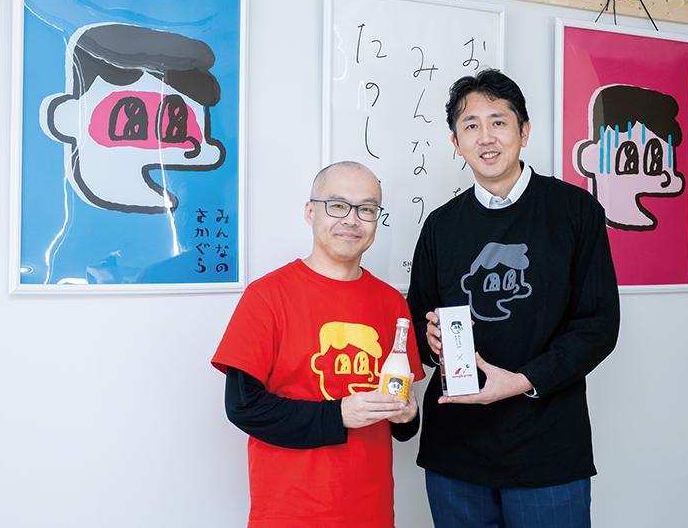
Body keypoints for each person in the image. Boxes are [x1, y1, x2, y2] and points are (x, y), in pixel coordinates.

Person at [407, 68, 620, 528]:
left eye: (498, 122)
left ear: (524, 131)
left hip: (547, 449)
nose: (486, 137)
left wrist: (522, 380)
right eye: (471, 125)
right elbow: (418, 324)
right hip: (455, 452)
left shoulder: (575, 210)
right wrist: (431, 341)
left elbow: (598, 325)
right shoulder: (441, 225)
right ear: (456, 142)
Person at [211, 161, 425, 528]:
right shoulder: (267, 296)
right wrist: (339, 414)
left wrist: (408, 415)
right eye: (337, 205)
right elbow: (244, 408)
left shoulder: (392, 303)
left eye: (366, 209)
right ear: (311, 212)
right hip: (289, 512)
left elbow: (402, 425)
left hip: (371, 511)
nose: (352, 220)